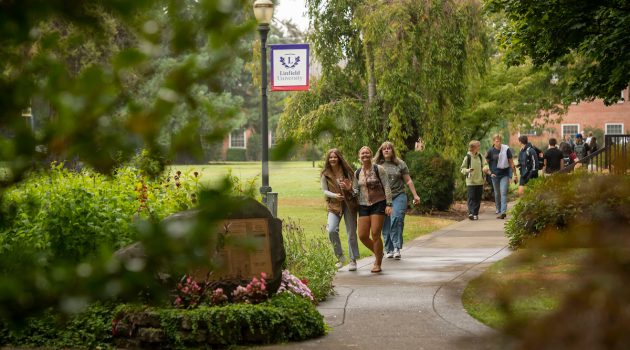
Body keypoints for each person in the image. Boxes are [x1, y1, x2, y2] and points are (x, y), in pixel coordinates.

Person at [374, 141, 421, 260]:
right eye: (384, 149)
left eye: (389, 148)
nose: (386, 150)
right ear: (381, 151)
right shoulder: (377, 164)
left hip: (399, 195)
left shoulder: (400, 163)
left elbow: (408, 181)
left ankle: (396, 248)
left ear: (392, 150)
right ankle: (388, 249)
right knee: (385, 223)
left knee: (396, 219)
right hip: (382, 198)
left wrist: (415, 195)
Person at [349, 146, 392, 273]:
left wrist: (389, 204)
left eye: (367, 153)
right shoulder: (357, 173)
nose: (365, 155)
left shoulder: (379, 169)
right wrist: (349, 189)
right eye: (362, 153)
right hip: (363, 205)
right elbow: (356, 191)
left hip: (379, 203)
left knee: (375, 233)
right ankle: (379, 252)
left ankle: (377, 262)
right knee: (362, 235)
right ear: (359, 157)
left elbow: (387, 186)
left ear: (371, 155)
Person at [320, 149, 360, 271]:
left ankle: (353, 260)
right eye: (330, 157)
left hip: (349, 204)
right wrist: (334, 195)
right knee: (331, 230)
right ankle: (340, 257)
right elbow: (324, 190)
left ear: (339, 158)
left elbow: (355, 190)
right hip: (334, 205)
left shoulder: (347, 171)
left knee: (351, 233)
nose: (333, 159)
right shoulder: (325, 174)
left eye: (335, 157)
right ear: (328, 159)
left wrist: (348, 188)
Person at [485, 134, 517, 219]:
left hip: (504, 174)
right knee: (497, 193)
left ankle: (503, 212)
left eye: (499, 141)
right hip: (495, 175)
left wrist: (515, 175)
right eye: (496, 141)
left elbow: (511, 162)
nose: (498, 142)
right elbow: (486, 163)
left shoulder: (506, 149)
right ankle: (498, 209)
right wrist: (490, 172)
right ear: (493, 142)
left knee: (503, 192)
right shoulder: (490, 151)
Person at [460, 140, 486, 220]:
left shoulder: (480, 156)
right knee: (471, 197)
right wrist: (468, 170)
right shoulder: (467, 157)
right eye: (478, 146)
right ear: (474, 147)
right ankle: (471, 213)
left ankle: (475, 214)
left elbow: (485, 164)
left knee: (477, 198)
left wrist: (486, 168)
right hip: (470, 181)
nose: (479, 147)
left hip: (480, 181)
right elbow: (462, 169)